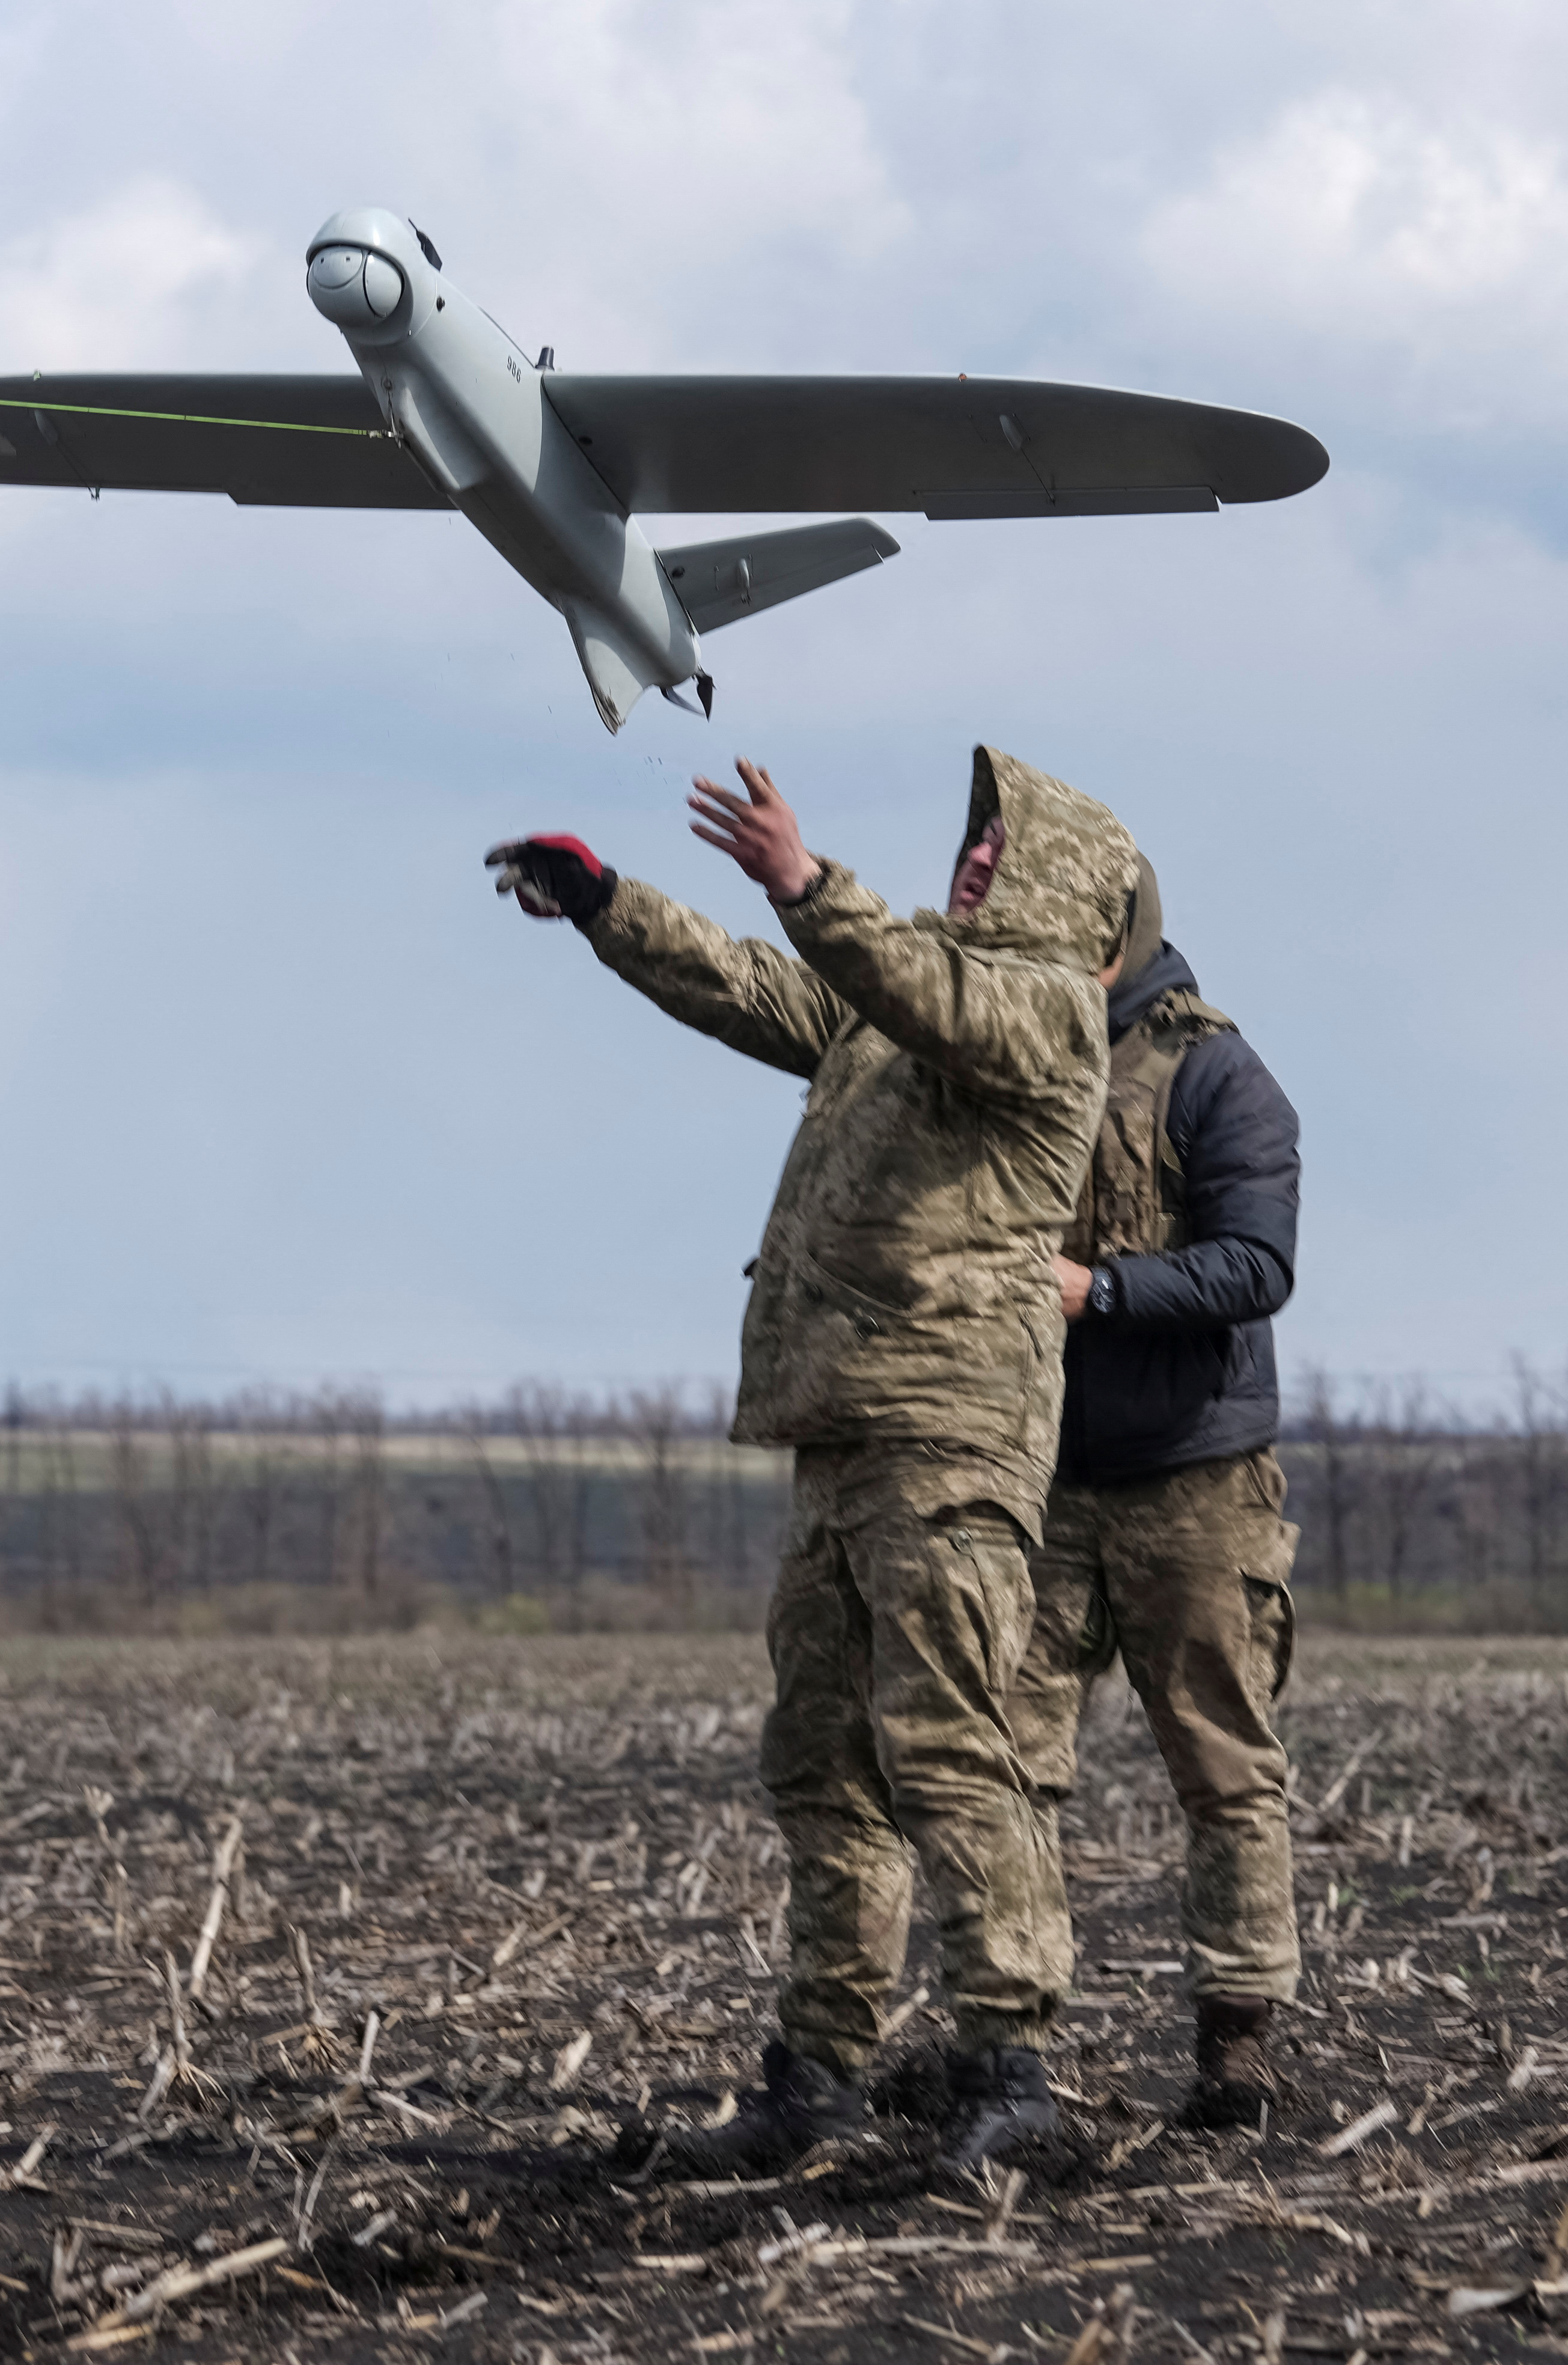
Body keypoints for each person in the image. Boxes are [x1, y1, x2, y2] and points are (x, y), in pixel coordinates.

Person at [488, 749, 1145, 2177]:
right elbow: (761, 987)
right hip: (842, 1428)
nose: (971, 861)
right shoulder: (901, 1008)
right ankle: (822, 2073)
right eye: (968, 843)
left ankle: (1008, 2066)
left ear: (1064, 884)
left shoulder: (1039, 1014)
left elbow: (928, 989)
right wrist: (611, 905)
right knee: (822, 1765)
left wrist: (809, 881)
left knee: (953, 1751)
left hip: (950, 1435)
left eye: (999, 849)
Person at [1005, 865, 1306, 2132]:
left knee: (1225, 1769)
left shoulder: (1219, 1074)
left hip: (1197, 1484)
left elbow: (1258, 1265)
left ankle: (1236, 2046)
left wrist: (1101, 1291)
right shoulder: (1012, 1052)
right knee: (1004, 1766)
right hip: (1042, 1481)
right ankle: (1003, 2043)